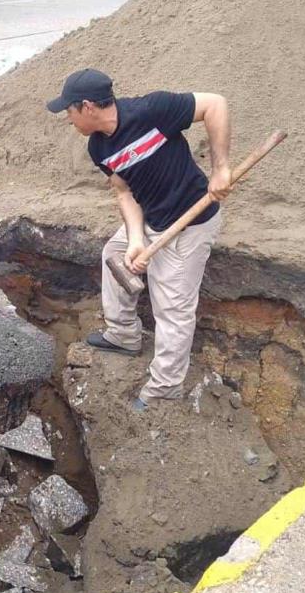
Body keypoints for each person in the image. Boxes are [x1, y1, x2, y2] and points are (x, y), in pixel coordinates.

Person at [47, 69, 231, 410]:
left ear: (87, 106)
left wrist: (221, 169)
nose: (67, 118)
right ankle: (123, 335)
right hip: (149, 217)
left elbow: (215, 104)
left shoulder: (153, 111)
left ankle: (164, 387)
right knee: (113, 254)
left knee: (172, 309)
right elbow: (125, 193)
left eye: (68, 111)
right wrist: (134, 240)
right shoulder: (98, 147)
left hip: (190, 222)